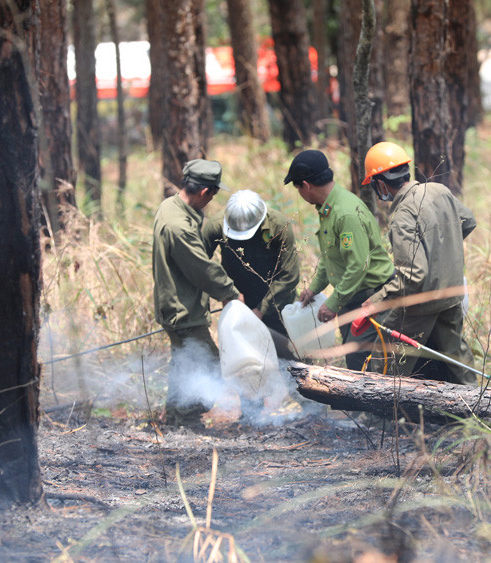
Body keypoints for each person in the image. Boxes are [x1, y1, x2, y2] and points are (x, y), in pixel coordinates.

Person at [360, 141, 477, 384]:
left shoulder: (402, 215)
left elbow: (413, 275)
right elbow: (468, 221)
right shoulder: (439, 190)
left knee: (386, 356)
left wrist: (375, 301)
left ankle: (377, 415)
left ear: (380, 183)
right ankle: (477, 409)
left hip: (422, 302)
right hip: (452, 293)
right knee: (457, 357)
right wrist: (442, 252)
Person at [284, 149, 395, 371]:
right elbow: (330, 257)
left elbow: (358, 266)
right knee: (354, 361)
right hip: (351, 298)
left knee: (361, 364)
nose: (299, 193)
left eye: (297, 188)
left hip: (371, 297)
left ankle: (368, 407)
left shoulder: (345, 213)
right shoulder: (327, 209)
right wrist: (314, 289)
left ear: (306, 185)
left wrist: (333, 303)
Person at [152, 159, 243, 427]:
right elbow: (201, 267)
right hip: (183, 310)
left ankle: (174, 417)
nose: (212, 199)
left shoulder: (170, 206)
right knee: (208, 366)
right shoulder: (178, 226)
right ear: (205, 192)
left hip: (178, 304)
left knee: (184, 364)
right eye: (214, 193)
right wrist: (229, 292)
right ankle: (186, 420)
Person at [203, 190, 301, 360]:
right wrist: (225, 293)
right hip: (238, 304)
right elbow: (199, 265)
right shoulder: (216, 226)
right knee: (244, 361)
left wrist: (261, 310)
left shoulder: (278, 226)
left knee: (290, 358)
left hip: (278, 303)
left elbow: (289, 275)